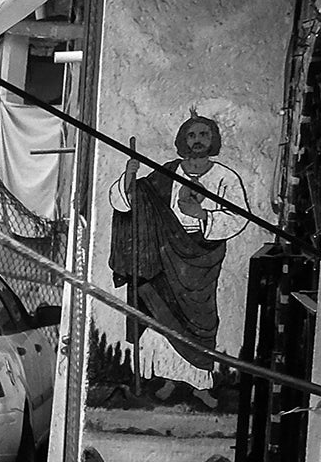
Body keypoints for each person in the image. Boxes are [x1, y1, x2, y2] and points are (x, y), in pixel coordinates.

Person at [107, 114, 251, 410]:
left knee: (202, 320)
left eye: (204, 135)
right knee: (162, 316)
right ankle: (169, 379)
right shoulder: (166, 174)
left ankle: (200, 384)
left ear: (213, 141)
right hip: (164, 254)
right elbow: (128, 201)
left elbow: (239, 217)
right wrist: (130, 177)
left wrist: (203, 216)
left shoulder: (225, 177)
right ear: (183, 140)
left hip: (201, 254)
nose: (197, 140)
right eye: (192, 135)